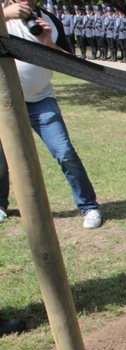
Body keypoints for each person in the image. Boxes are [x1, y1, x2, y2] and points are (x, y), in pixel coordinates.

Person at [0, 0, 102, 229]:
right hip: (3, 100)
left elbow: (69, 61)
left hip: (41, 100)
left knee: (64, 151)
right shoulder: (2, 13)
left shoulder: (49, 20)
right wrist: (5, 15)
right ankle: (0, 205)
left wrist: (47, 43)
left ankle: (89, 206)